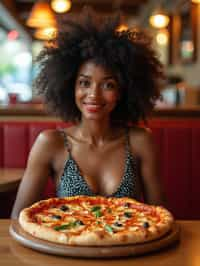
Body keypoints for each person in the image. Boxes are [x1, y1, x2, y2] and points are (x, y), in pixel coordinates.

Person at [11, 8, 166, 219]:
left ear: (122, 91)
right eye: (84, 83)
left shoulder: (140, 141)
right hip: (68, 245)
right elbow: (19, 219)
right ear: (70, 87)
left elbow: (160, 217)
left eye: (108, 85)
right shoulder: (50, 143)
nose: (94, 95)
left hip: (129, 246)